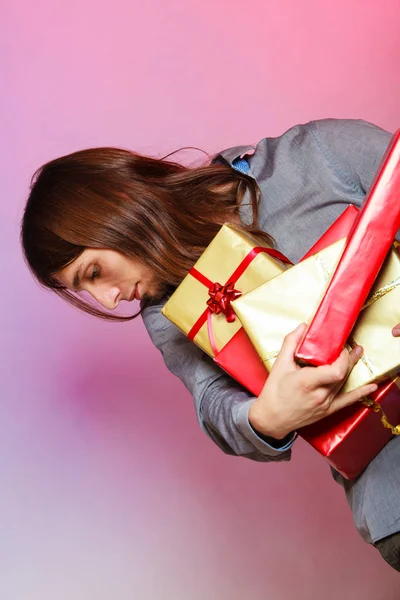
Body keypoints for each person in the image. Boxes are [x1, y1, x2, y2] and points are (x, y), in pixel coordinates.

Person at [21, 118, 400, 572]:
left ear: (118, 206)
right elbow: (215, 406)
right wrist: (267, 418)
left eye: (95, 272)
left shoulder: (319, 154)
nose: (109, 299)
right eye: (87, 292)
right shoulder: (167, 313)